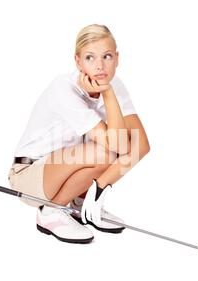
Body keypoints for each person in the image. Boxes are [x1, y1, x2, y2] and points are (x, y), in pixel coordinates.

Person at [8, 24, 150, 244]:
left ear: (117, 58)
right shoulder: (64, 88)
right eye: (90, 58)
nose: (100, 66)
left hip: (67, 170)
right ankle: (50, 212)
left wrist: (101, 186)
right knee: (106, 154)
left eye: (107, 56)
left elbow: (141, 145)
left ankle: (80, 202)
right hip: (29, 175)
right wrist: (108, 92)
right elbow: (119, 148)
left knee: (110, 152)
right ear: (78, 61)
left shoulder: (112, 84)